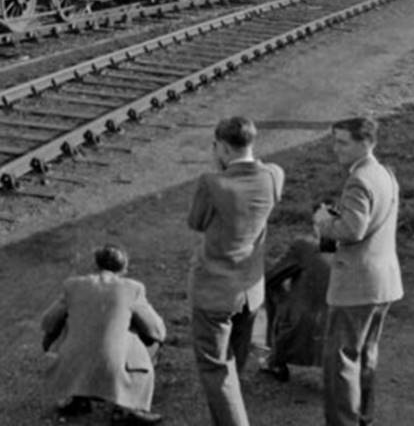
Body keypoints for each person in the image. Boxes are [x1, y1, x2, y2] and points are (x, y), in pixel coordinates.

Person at [187, 116, 284, 426]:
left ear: (224, 148)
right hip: (250, 292)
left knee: (216, 368)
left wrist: (221, 168)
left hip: (213, 292)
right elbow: (266, 167)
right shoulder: (272, 176)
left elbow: (196, 222)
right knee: (232, 365)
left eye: (215, 147)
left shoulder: (212, 183)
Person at [313, 117, 402, 426]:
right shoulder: (385, 174)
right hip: (383, 282)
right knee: (366, 353)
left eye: (342, 142)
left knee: (340, 361)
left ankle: (343, 422)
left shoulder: (358, 180)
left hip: (356, 284)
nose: (335, 148)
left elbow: (352, 230)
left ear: (365, 143)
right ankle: (364, 415)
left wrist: (324, 221)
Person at [40, 245, 166, 425]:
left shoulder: (73, 285)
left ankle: (78, 397)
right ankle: (128, 407)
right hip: (112, 365)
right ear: (124, 268)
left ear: (95, 264)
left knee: (73, 327)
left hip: (72, 361)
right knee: (149, 340)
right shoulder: (133, 288)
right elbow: (157, 331)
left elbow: (47, 322)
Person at [261, 236, 333, 383]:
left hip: (304, 321)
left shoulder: (305, 246)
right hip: (340, 323)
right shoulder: (356, 248)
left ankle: (276, 359)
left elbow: (271, 277)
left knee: (271, 285)